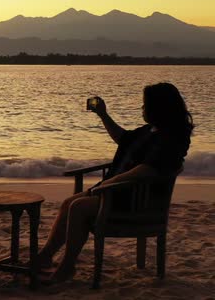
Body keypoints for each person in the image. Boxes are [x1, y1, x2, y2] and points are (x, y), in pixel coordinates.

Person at [38, 82, 193, 283]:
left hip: (137, 201)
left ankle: (67, 267)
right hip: (120, 192)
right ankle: (45, 257)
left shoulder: (171, 137)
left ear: (158, 108)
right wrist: (103, 114)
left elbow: (148, 169)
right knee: (69, 203)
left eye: (145, 105)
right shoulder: (150, 130)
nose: (142, 109)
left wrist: (107, 185)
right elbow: (123, 139)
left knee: (78, 207)